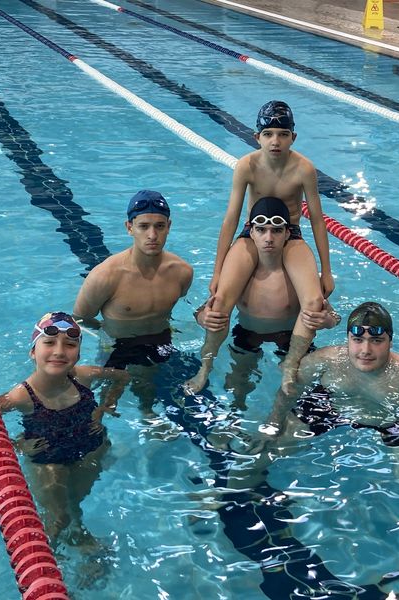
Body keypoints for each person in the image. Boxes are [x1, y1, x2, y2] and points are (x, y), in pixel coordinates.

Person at [231, 302, 399, 598]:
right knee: (265, 450)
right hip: (332, 405)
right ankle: (227, 496)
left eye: (376, 340)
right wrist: (271, 426)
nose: (365, 350)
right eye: (357, 339)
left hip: (395, 420)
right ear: (348, 338)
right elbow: (288, 392)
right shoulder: (325, 361)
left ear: (390, 341)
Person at [186, 101, 334, 394]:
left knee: (314, 303)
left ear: (293, 137)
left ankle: (291, 364)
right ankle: (205, 367)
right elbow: (231, 218)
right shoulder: (247, 165)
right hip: (250, 232)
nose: (275, 141)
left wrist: (326, 271)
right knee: (219, 302)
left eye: (282, 134)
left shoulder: (304, 168)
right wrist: (217, 272)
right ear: (257, 137)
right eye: (268, 134)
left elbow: (318, 220)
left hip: (290, 233)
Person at [0, 312, 129, 552]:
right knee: (58, 519)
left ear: (78, 354)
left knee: (75, 504)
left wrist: (105, 406)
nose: (59, 351)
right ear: (33, 352)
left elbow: (122, 376)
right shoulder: (21, 396)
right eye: (49, 343)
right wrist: (15, 445)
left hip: (90, 448)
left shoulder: (85, 376)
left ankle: (78, 535)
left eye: (70, 345)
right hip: (48, 459)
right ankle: (50, 561)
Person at [193, 196, 340, 408]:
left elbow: (331, 314)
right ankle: (213, 381)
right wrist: (202, 316)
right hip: (247, 334)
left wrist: (328, 321)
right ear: (251, 233)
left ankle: (288, 380)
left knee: (299, 391)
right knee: (235, 387)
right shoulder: (241, 273)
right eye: (261, 230)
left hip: (290, 339)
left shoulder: (298, 275)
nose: (268, 238)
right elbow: (211, 305)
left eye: (276, 230)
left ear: (288, 233)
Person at [73, 190, 193, 412]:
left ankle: (147, 415)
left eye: (159, 226)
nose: (152, 235)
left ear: (169, 226)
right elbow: (80, 318)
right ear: (129, 227)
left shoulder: (182, 272)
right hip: (116, 345)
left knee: (151, 391)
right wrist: (104, 334)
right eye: (143, 226)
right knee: (106, 406)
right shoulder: (105, 276)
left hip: (160, 339)